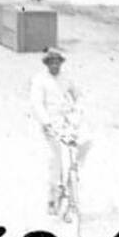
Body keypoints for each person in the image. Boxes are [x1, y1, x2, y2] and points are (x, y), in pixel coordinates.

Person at [29, 47, 93, 217]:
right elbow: (37, 104)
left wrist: (77, 112)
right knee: (55, 160)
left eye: (58, 61)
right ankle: (53, 199)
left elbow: (80, 96)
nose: (55, 65)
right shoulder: (39, 80)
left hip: (67, 121)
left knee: (85, 143)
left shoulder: (67, 78)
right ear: (47, 63)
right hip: (51, 124)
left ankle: (72, 192)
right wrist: (46, 123)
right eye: (51, 62)